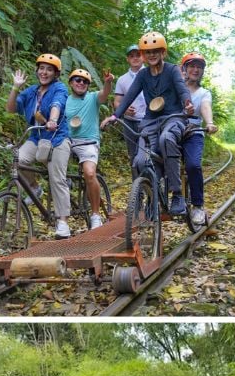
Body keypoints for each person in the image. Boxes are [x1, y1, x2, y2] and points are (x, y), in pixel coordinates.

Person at [101, 32, 194, 214]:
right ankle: (152, 196)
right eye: (147, 52)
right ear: (144, 55)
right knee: (140, 159)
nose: (152, 55)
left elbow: (182, 90)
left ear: (162, 53)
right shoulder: (143, 75)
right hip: (150, 121)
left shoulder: (172, 69)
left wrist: (187, 103)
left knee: (166, 139)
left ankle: (177, 194)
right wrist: (114, 116)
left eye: (155, 51)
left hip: (173, 117)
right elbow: (129, 97)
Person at [7, 54, 73, 238]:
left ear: (56, 73)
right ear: (37, 70)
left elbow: (57, 104)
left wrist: (52, 119)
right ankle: (35, 187)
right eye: (41, 68)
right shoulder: (31, 92)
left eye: (49, 69)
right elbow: (11, 109)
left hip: (57, 137)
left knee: (56, 177)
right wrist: (15, 88)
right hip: (36, 138)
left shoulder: (59, 88)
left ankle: (63, 222)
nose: (44, 72)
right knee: (17, 159)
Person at [65, 68, 114, 230]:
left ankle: (95, 215)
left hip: (88, 142)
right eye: (77, 80)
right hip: (68, 141)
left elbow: (104, 94)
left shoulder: (93, 98)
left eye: (85, 81)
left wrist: (108, 82)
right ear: (71, 83)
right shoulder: (64, 100)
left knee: (90, 174)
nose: (81, 83)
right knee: (47, 156)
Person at [180, 52, 218, 226]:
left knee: (193, 165)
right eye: (192, 66)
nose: (195, 70)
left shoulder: (204, 93)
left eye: (199, 67)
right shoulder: (176, 87)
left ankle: (197, 206)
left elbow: (205, 106)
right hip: (172, 128)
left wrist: (209, 122)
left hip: (194, 131)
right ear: (184, 69)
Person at [113, 44, 146, 178]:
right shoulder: (122, 79)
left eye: (137, 55)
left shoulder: (151, 74)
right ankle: (137, 191)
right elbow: (117, 102)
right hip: (129, 123)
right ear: (127, 59)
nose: (135, 58)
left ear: (143, 57)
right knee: (133, 156)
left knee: (145, 157)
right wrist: (124, 110)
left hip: (147, 121)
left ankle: (152, 187)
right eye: (131, 56)